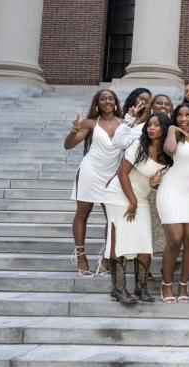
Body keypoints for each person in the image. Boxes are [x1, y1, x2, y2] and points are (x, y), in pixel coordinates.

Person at [104, 113, 171, 304]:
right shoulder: (138, 145)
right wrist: (132, 201)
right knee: (119, 240)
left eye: (156, 125)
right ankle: (118, 288)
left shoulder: (167, 155)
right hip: (119, 195)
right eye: (149, 125)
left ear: (165, 128)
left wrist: (153, 184)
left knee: (144, 242)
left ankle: (141, 288)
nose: (151, 128)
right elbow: (122, 173)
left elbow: (153, 183)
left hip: (140, 198)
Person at [64, 89, 124, 278]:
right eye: (103, 99)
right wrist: (73, 132)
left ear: (115, 102)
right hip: (90, 170)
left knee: (112, 217)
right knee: (83, 212)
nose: (107, 101)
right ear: (97, 104)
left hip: (111, 174)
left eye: (110, 98)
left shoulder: (124, 123)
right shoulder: (90, 123)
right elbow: (68, 145)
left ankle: (106, 257)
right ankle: (80, 256)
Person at [156, 103, 189, 303]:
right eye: (180, 115)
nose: (184, 119)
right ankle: (167, 284)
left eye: (188, 115)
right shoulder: (174, 137)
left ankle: (183, 284)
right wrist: (171, 129)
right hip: (171, 191)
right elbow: (169, 150)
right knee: (176, 239)